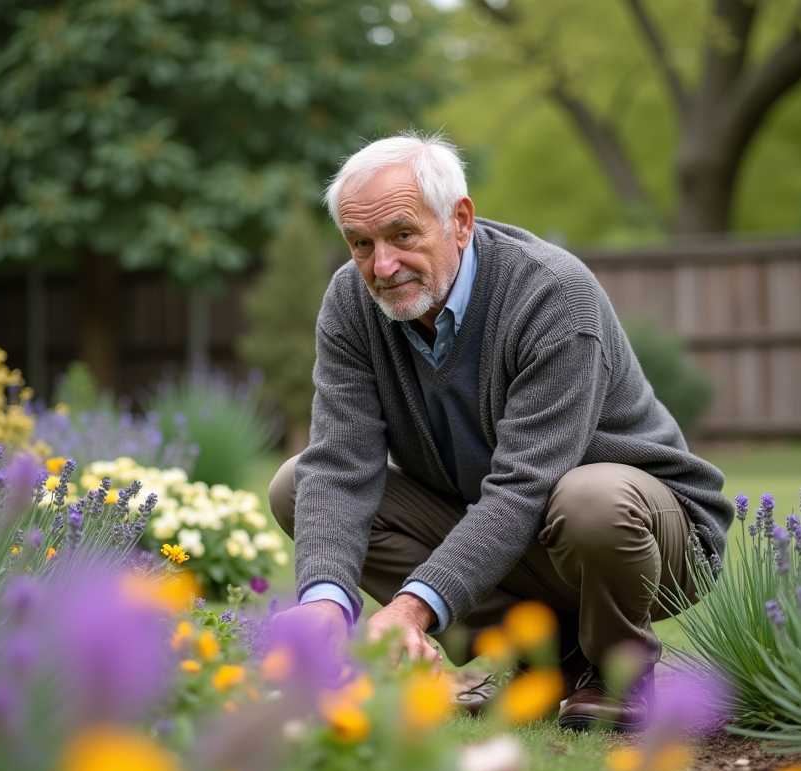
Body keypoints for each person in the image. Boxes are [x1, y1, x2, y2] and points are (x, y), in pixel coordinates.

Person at [269, 132, 732, 730]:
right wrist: (325, 602)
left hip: (646, 535)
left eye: (402, 235)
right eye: (362, 244)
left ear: (459, 220)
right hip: (510, 526)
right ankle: (550, 659)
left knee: (589, 499)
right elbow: (338, 466)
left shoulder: (552, 295)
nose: (381, 266)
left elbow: (525, 486)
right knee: (297, 485)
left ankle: (620, 672)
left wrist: (411, 610)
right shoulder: (352, 304)